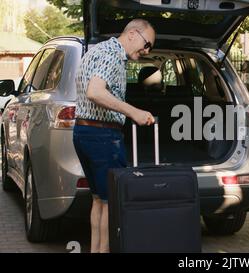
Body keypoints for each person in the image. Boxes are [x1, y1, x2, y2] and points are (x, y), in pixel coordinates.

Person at [72, 19, 156, 253]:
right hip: (102, 136)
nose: (147, 50)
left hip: (83, 133)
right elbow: (95, 91)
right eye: (146, 43)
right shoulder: (113, 55)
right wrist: (134, 112)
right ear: (132, 34)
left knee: (100, 200)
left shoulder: (97, 50)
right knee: (112, 203)